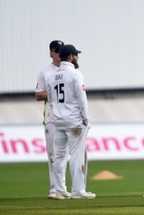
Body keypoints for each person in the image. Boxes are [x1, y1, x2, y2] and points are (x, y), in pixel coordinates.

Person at [48, 44, 95, 200]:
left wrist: (56, 116)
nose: (77, 57)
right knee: (77, 156)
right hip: (74, 121)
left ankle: (60, 190)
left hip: (58, 121)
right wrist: (86, 118)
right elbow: (82, 98)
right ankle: (78, 190)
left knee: (59, 156)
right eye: (76, 55)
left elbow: (50, 100)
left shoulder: (52, 75)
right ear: (70, 56)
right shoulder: (75, 74)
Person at [35, 40, 65, 199]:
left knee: (69, 155)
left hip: (68, 117)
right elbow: (38, 94)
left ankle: (72, 188)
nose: (59, 53)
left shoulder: (70, 70)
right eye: (56, 50)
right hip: (52, 117)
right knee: (53, 155)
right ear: (51, 52)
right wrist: (54, 92)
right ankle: (54, 188)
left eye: (61, 50)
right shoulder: (45, 72)